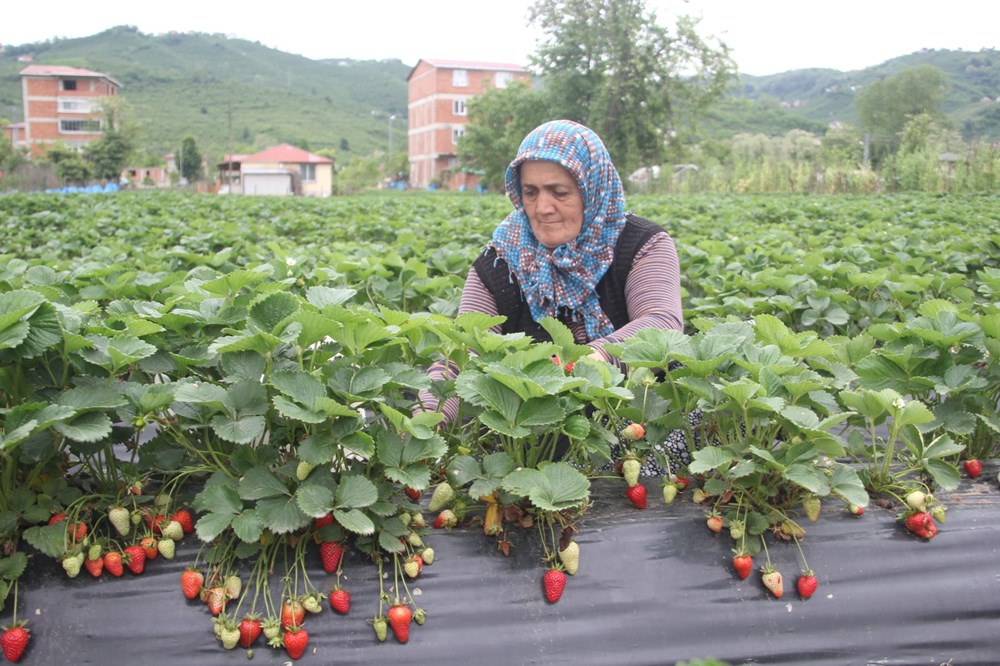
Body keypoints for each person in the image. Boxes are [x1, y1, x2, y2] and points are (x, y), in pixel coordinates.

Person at [416, 119, 688, 474]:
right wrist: (425, 425)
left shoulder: (641, 245)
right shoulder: (500, 262)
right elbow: (464, 352)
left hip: (633, 429)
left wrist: (589, 358)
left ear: (592, 189)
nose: (542, 207)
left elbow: (661, 323)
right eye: (531, 192)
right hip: (532, 440)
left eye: (559, 192)